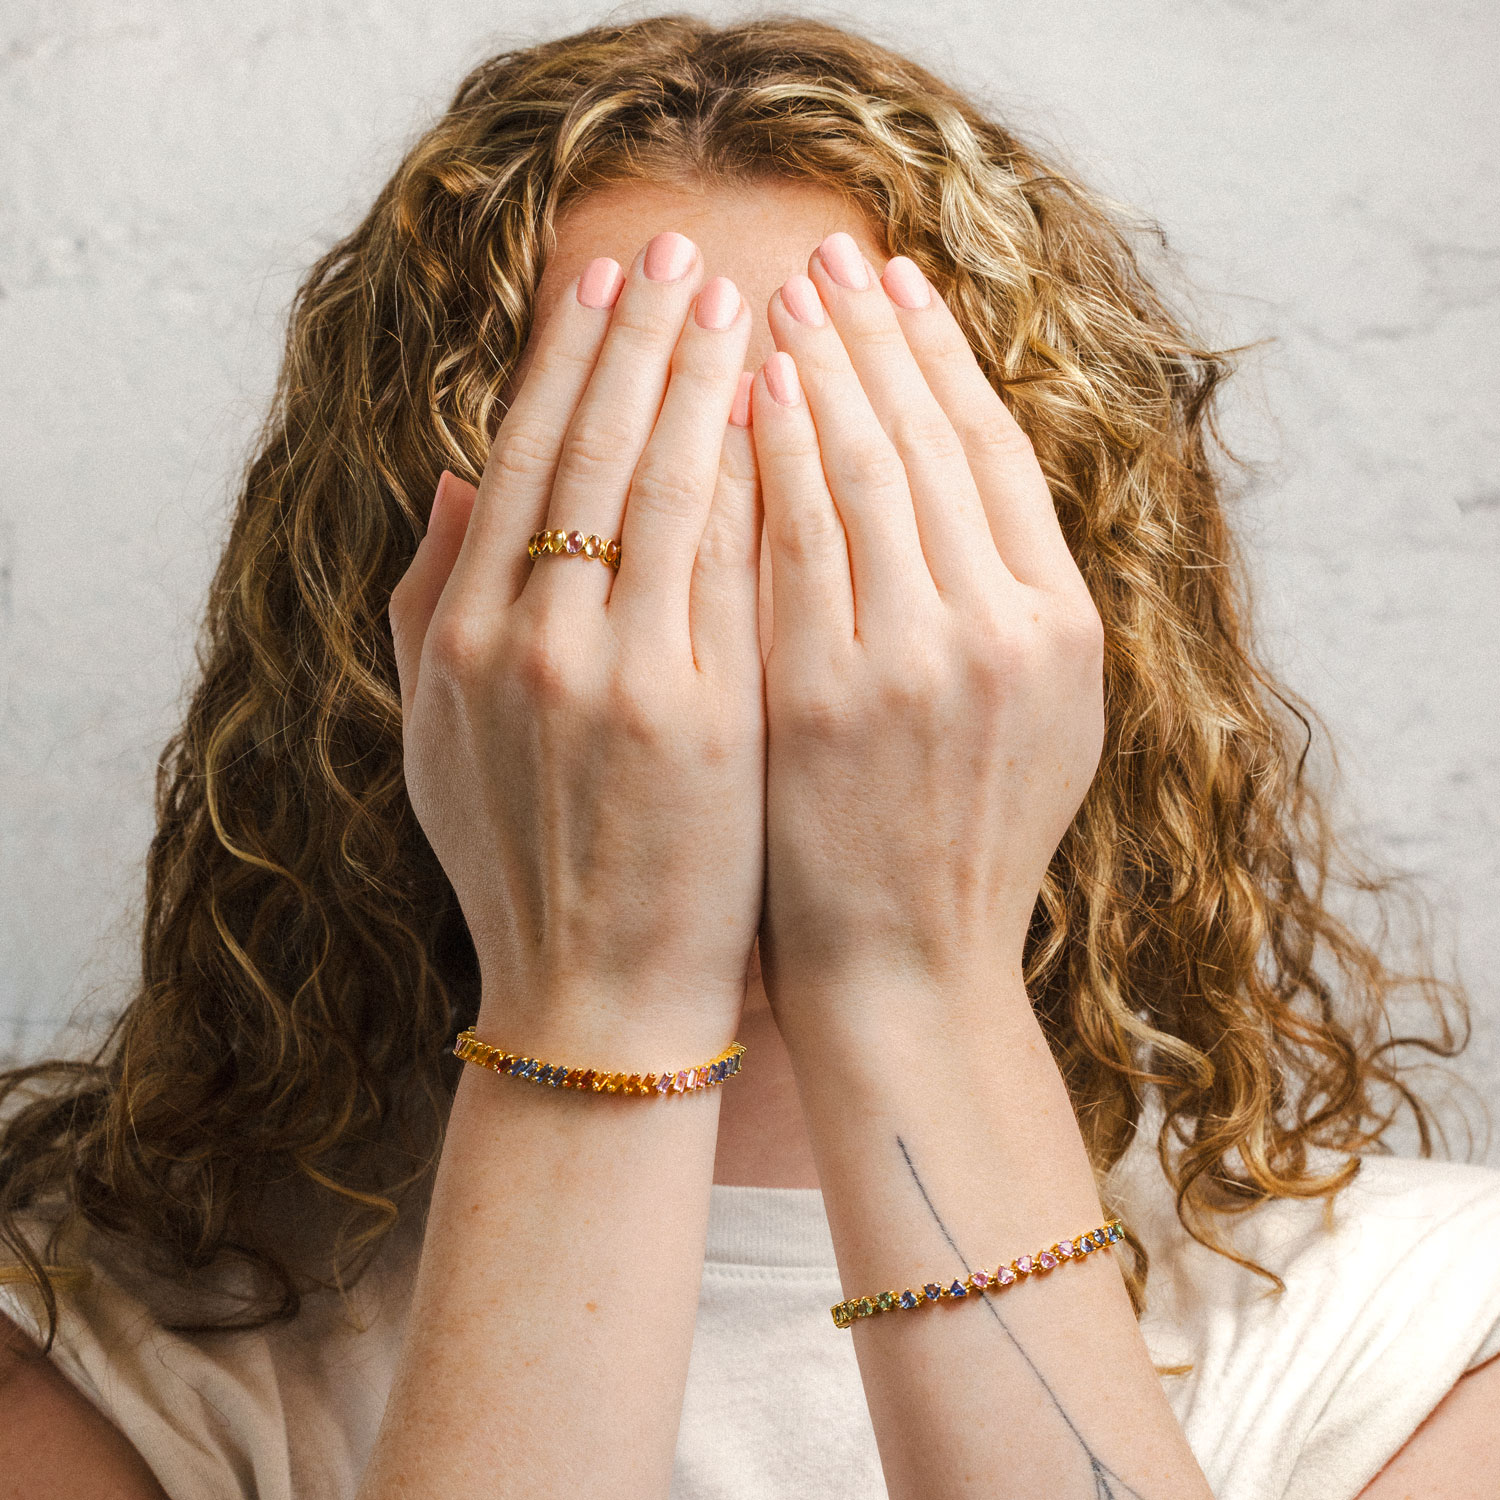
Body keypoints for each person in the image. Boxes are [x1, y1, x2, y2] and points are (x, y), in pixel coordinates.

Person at [0, 14, 1496, 1499]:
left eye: (873, 501)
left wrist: (914, 980)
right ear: (398, 619)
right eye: (618, 498)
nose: (708, 640)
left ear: (1063, 600)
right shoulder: (89, 1340)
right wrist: (602, 992)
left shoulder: (1424, 1343)